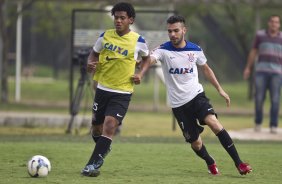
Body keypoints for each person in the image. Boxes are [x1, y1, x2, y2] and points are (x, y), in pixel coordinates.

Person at [150, 15, 252, 175]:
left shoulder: (195, 49)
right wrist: (143, 60)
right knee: (196, 144)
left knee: (214, 123)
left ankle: (239, 164)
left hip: (197, 96)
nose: (173, 34)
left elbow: (206, 69)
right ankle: (210, 161)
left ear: (184, 30)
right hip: (178, 105)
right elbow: (151, 58)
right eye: (169, 31)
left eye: (176, 30)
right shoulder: (163, 50)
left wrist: (220, 90)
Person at [81, 2, 151, 177]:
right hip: (102, 88)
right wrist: (90, 64)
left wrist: (140, 73)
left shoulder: (138, 41)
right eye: (116, 17)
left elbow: (147, 59)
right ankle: (104, 147)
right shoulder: (105, 36)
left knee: (110, 125)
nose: (118, 21)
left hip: (122, 92)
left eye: (122, 18)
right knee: (96, 129)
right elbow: (94, 53)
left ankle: (91, 165)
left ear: (130, 20)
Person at [243, 15, 282, 134]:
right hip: (261, 72)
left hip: (277, 73)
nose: (274, 24)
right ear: (268, 23)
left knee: (275, 99)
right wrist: (248, 68)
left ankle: (273, 125)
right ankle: (258, 123)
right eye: (272, 22)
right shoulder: (260, 35)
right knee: (259, 99)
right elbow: (254, 51)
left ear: (279, 24)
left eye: (276, 22)